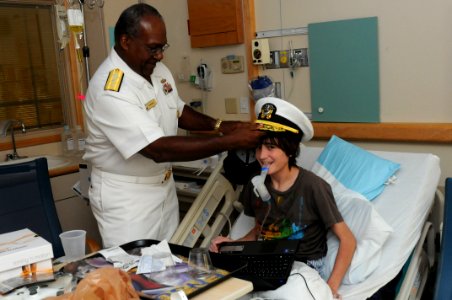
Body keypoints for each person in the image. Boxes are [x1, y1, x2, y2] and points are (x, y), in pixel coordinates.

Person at [82, 3, 263, 248]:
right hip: (127, 198)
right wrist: (230, 141)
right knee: (134, 274)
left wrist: (221, 125)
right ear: (125, 41)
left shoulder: (157, 70)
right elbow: (157, 149)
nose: (160, 55)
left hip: (163, 188)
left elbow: (178, 111)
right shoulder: (111, 88)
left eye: (162, 47)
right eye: (153, 48)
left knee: (169, 265)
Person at [210, 97, 356, 298]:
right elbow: (259, 230)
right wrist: (231, 246)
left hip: (303, 267)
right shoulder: (255, 185)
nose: (262, 155)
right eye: (259, 147)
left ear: (290, 149)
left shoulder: (313, 187)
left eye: (270, 147)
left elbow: (348, 240)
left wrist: (331, 286)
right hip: (265, 259)